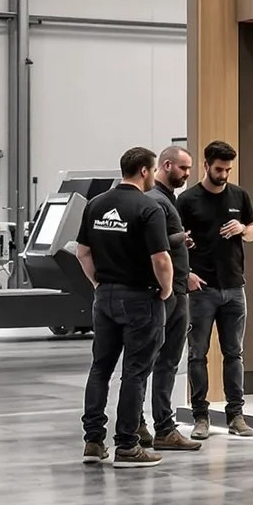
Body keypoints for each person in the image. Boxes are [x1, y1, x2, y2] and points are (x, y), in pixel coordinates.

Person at [77, 146, 175, 469]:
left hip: (104, 297)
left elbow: (82, 252)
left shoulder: (95, 205)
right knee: (134, 372)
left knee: (100, 368)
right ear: (145, 171)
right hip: (140, 299)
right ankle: (127, 446)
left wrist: (97, 284)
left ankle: (93, 442)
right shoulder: (149, 209)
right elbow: (160, 258)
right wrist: (167, 289)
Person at [178, 140, 253, 440]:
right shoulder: (187, 200)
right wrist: (187, 274)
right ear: (206, 165)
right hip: (202, 289)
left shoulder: (239, 195)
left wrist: (242, 229)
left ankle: (236, 415)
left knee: (234, 353)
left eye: (228, 170)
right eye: (219, 169)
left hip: (235, 287)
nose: (223, 175)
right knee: (197, 354)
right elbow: (174, 241)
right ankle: (201, 416)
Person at [146, 145, 200, 453]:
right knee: (163, 361)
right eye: (183, 169)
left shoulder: (168, 200)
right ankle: (163, 427)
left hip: (178, 287)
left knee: (162, 361)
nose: (187, 174)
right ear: (166, 165)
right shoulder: (156, 201)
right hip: (168, 293)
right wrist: (178, 239)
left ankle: (153, 425)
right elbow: (150, 245)